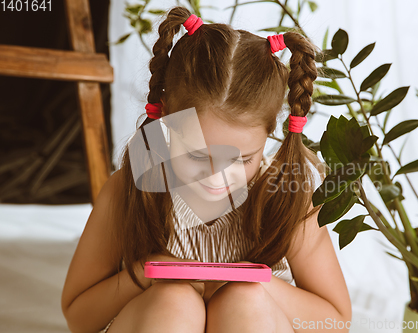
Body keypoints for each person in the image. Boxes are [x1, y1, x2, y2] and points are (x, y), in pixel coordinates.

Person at [61, 5, 351, 333]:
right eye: (198, 156)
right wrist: (149, 273)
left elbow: (336, 321)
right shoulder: (130, 188)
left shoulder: (285, 195)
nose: (218, 177)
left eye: (241, 160)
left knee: (244, 300)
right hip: (159, 320)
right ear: (168, 117)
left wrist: (251, 281)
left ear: (270, 130)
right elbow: (79, 318)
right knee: (173, 301)